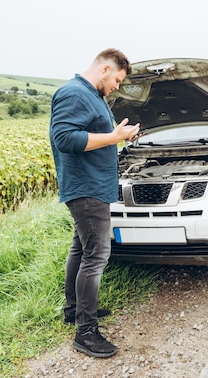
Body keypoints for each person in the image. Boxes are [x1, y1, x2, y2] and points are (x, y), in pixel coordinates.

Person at [49, 48, 140, 358]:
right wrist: (113, 138)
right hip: (86, 189)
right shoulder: (74, 93)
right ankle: (85, 333)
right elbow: (65, 139)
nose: (116, 86)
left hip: (91, 187)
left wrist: (120, 136)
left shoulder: (91, 95)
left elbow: (96, 135)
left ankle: (74, 310)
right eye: (116, 79)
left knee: (81, 248)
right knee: (97, 255)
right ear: (104, 69)